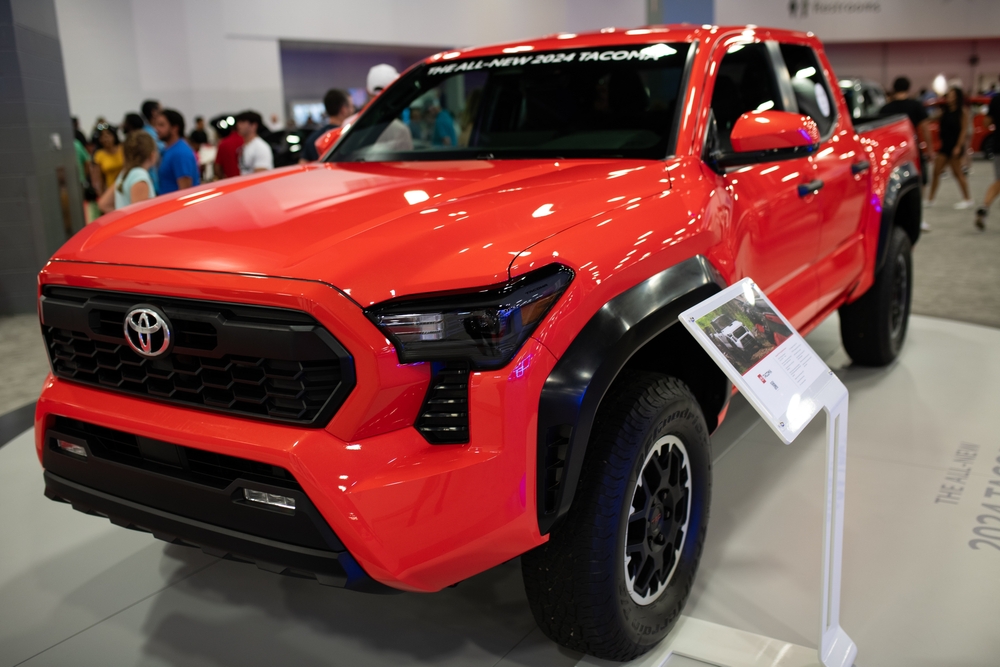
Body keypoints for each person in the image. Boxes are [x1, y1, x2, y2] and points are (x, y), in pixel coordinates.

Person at [880, 77, 935, 230]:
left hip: (891, 153)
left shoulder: (886, 108)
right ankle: (918, 219)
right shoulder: (916, 106)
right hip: (912, 151)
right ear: (908, 87)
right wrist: (929, 150)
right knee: (918, 183)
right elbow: (925, 128)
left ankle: (894, 220)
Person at [927, 86, 973, 209]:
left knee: (957, 173)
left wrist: (958, 146)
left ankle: (967, 199)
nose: (950, 98)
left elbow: (963, 131)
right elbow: (931, 119)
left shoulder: (962, 112)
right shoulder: (944, 111)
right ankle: (930, 199)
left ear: (957, 97)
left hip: (955, 146)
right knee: (936, 171)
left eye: (952, 95)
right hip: (945, 145)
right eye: (949, 95)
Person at [97, 131, 157, 213]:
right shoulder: (139, 175)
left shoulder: (125, 173)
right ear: (152, 155)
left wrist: (123, 216)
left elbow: (103, 204)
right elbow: (140, 216)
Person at [154, 108, 200, 194]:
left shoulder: (180, 153)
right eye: (156, 125)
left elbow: (185, 191)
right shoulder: (168, 149)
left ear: (175, 128)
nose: (156, 129)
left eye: (161, 125)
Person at [301, 89, 354, 163]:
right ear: (343, 110)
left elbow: (303, 164)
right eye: (351, 107)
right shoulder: (351, 137)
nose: (353, 110)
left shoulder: (313, 138)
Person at [974, 91, 1000, 229]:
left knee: (999, 181)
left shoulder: (995, 100)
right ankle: (983, 209)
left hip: (998, 145)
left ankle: (984, 207)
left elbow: (986, 123)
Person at [235, 110, 273, 174]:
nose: (238, 125)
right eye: (238, 122)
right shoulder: (246, 146)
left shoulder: (260, 147)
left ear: (254, 125)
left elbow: (261, 175)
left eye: (243, 122)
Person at [90, 123, 123, 194]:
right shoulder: (99, 155)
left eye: (108, 135)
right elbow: (98, 179)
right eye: (102, 136)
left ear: (114, 136)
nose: (106, 139)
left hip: (126, 187)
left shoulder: (123, 149)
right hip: (111, 191)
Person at [213, 115, 242, 179]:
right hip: (248, 181)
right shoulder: (245, 141)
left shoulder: (223, 144)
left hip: (230, 181)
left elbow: (217, 168)